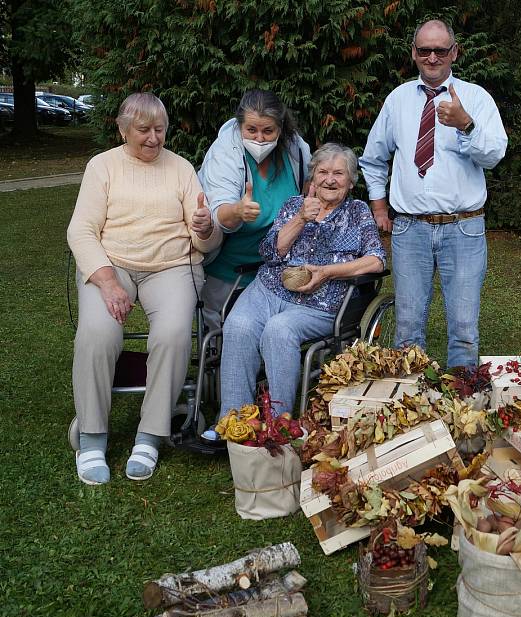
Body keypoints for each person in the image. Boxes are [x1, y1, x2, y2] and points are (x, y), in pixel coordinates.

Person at [67, 92, 222, 485]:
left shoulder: (182, 168)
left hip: (171, 266)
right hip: (112, 264)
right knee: (98, 333)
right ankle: (92, 436)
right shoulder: (102, 167)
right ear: (122, 130)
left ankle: (150, 434)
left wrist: (206, 229)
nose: (153, 138)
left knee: (171, 334)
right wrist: (106, 281)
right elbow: (81, 230)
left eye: (160, 129)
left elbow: (204, 238)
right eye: (143, 130)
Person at [202, 143, 385, 442]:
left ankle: (280, 424)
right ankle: (233, 421)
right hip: (269, 289)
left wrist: (326, 272)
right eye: (323, 172)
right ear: (312, 178)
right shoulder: (293, 205)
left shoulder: (358, 212)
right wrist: (300, 218)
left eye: (338, 173)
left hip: (320, 302)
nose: (330, 179)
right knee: (238, 325)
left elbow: (377, 260)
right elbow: (270, 251)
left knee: (279, 330)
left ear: (351, 181)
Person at [359, 19, 507, 368]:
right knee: (408, 328)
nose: (432, 57)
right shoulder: (397, 100)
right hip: (410, 229)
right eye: (424, 49)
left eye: (440, 50)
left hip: (464, 228)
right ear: (414, 53)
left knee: (464, 327)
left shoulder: (476, 98)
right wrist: (379, 205)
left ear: (454, 52)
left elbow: (495, 156)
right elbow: (373, 158)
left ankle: (463, 409)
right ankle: (411, 408)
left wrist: (465, 124)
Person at [198, 89, 312, 332]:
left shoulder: (296, 150)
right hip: (229, 269)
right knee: (228, 332)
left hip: (276, 267)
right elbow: (219, 215)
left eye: (267, 131)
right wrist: (238, 211)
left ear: (280, 128)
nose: (259, 138)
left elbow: (305, 191)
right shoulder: (224, 154)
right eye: (251, 130)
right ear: (240, 126)